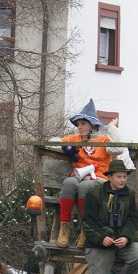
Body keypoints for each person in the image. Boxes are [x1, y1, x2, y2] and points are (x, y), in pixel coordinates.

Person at [81, 159, 138, 274]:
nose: (123, 180)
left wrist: (126, 237)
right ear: (110, 177)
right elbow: (87, 222)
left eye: (124, 177)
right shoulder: (95, 194)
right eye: (119, 177)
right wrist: (101, 238)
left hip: (121, 240)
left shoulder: (129, 195)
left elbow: (133, 219)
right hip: (99, 242)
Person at [55, 99, 118, 248]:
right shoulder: (75, 139)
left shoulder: (103, 140)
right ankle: (65, 229)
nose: (79, 127)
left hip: (99, 180)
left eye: (83, 124)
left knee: (85, 186)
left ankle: (86, 229)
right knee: (69, 182)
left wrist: (111, 129)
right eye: (78, 124)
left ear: (92, 125)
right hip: (78, 177)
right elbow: (51, 141)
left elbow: (118, 149)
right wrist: (65, 147)